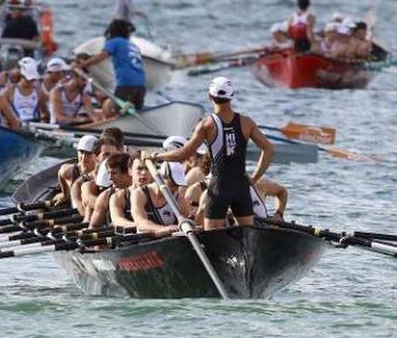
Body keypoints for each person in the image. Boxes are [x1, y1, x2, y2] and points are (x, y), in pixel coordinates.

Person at [149, 76, 274, 230]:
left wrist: (155, 156)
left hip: (219, 187)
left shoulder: (206, 125)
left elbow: (183, 154)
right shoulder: (246, 122)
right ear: (231, 97)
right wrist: (254, 178)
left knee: (212, 237)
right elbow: (269, 150)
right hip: (241, 186)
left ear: (209, 97)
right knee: (248, 235)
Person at [75, 19, 146, 108]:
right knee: (137, 109)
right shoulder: (133, 45)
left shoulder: (114, 42)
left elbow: (102, 56)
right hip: (141, 83)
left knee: (120, 110)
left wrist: (83, 65)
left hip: (126, 83)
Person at [131, 158, 194, 235]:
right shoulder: (139, 194)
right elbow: (141, 223)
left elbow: (190, 223)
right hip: (144, 242)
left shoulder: (179, 199)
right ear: (162, 177)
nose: (175, 189)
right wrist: (163, 229)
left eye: (178, 185)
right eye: (172, 185)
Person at [89, 152, 135, 229]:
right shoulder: (105, 196)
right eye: (109, 173)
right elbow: (93, 227)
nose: (110, 178)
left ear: (128, 173)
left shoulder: (146, 191)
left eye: (114, 173)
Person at [0, 57, 48, 124]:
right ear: (21, 76)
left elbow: (44, 112)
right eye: (28, 79)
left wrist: (43, 120)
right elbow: (1, 113)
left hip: (34, 124)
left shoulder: (38, 91)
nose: (31, 82)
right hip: (15, 125)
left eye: (33, 80)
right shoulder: (7, 91)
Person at [54, 135, 98, 206]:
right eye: (81, 152)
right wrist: (65, 195)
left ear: (97, 155)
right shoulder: (67, 171)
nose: (83, 157)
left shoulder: (101, 173)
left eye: (88, 153)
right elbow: (60, 173)